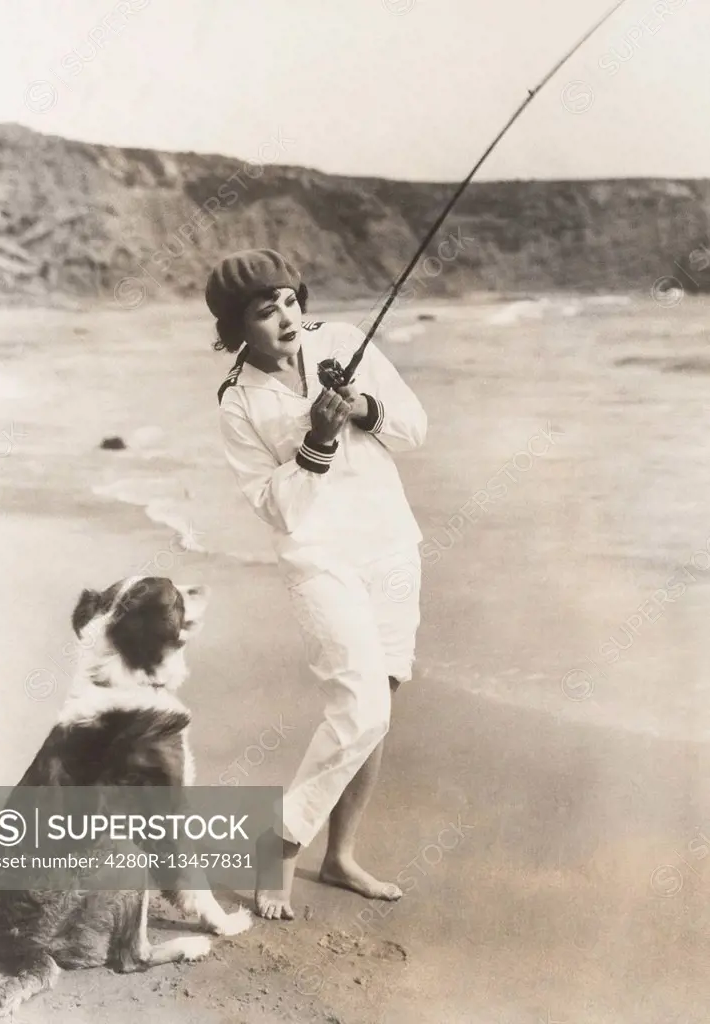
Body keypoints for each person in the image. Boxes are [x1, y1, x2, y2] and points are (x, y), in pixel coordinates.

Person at [209, 249, 427, 920]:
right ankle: (281, 840)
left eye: (288, 300)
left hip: (390, 544)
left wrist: (362, 406)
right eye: (262, 309)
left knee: (376, 709)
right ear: (234, 327)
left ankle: (339, 857)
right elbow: (279, 507)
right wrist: (318, 442)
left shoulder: (339, 343)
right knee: (359, 706)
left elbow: (415, 430)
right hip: (319, 561)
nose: (283, 316)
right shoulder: (237, 401)